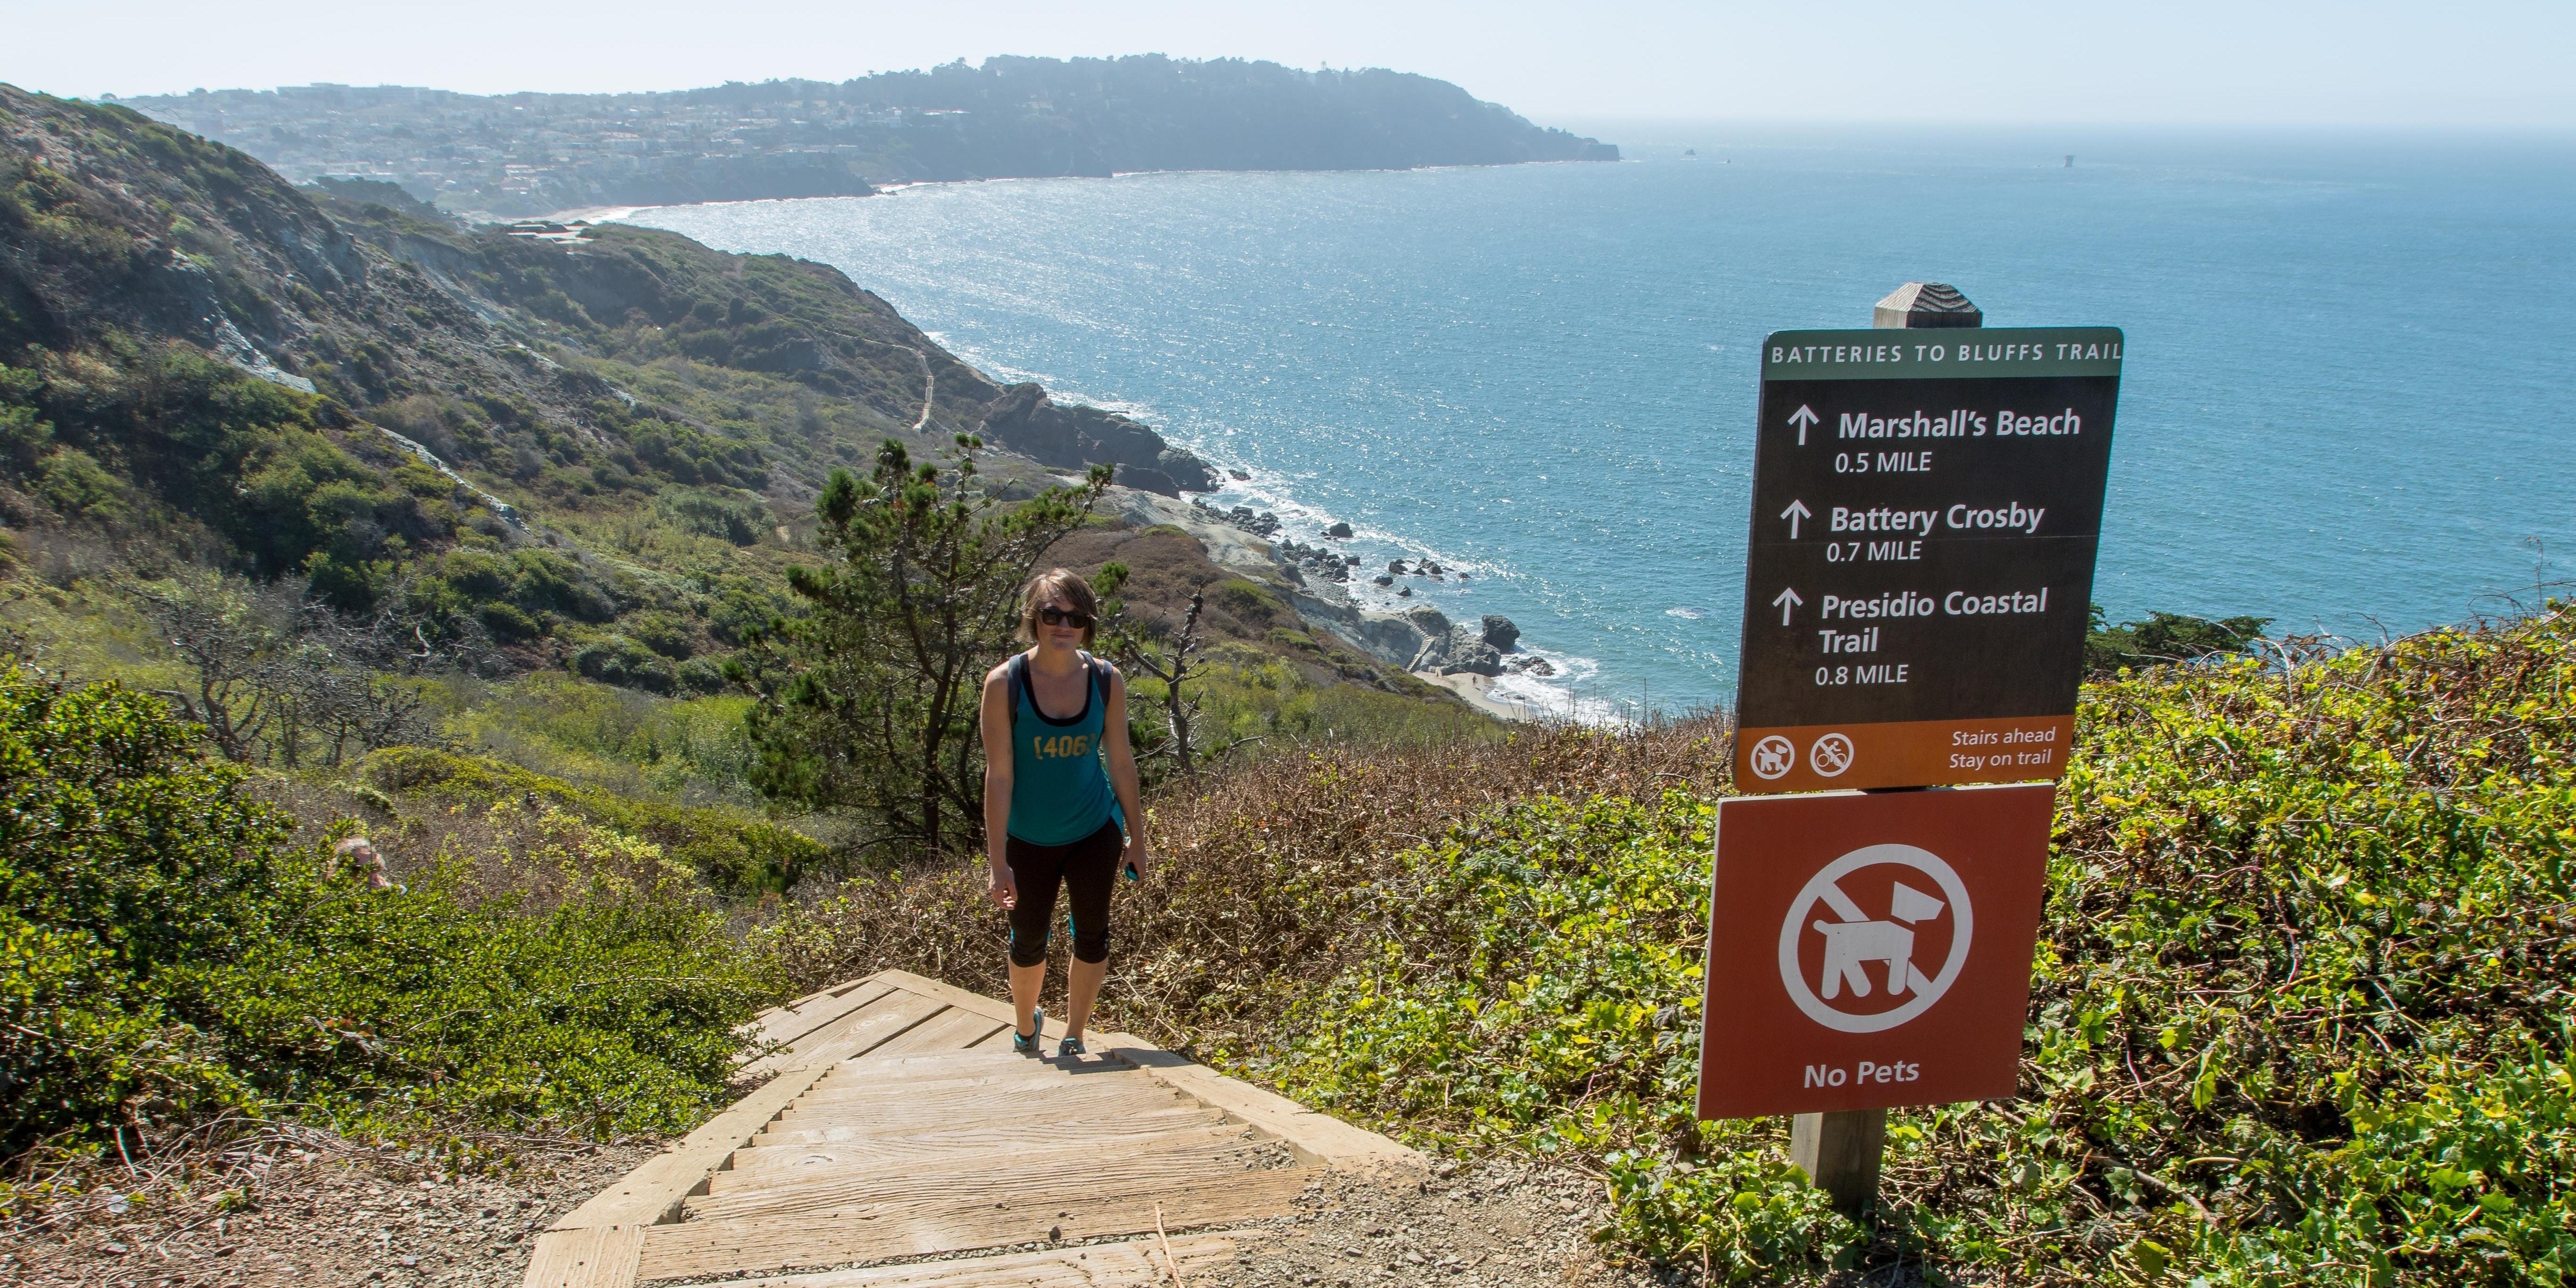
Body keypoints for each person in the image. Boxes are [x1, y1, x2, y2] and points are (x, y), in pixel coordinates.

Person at [980, 568, 1150, 1059]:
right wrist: (998, 862)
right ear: (1033, 618)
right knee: (1028, 938)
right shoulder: (1004, 684)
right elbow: (1000, 775)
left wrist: (1137, 838)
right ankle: (1026, 1022)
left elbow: (1121, 761)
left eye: (1076, 616)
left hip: (1094, 830)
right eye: (1052, 613)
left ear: (1088, 623)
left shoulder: (1104, 679)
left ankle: (1075, 1032)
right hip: (1029, 838)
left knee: (1093, 934)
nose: (1064, 625)